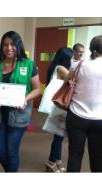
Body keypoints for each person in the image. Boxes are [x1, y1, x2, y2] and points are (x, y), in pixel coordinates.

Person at [0, 31, 41, 172]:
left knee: (12, 151)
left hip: (18, 115)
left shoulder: (29, 65)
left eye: (13, 44)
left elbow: (37, 89)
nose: (9, 48)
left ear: (18, 46)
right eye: (5, 44)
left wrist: (25, 98)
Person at [66, 35, 102, 172]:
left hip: (76, 116)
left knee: (74, 156)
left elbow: (65, 84)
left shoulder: (79, 65)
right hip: (100, 119)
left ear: (92, 49)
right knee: (98, 157)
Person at [44, 47, 74, 172]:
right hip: (60, 105)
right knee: (58, 135)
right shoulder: (61, 68)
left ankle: (57, 159)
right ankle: (52, 161)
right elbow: (73, 79)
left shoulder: (55, 66)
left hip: (58, 105)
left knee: (59, 135)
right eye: (71, 57)